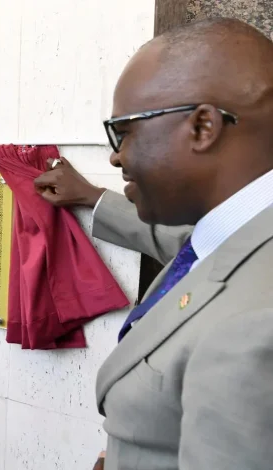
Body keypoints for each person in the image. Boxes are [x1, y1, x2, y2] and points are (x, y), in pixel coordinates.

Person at [34, 18, 273, 470]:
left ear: (202, 127)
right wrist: (91, 198)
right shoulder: (239, 235)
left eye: (124, 131)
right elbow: (196, 250)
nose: (116, 156)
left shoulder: (256, 324)